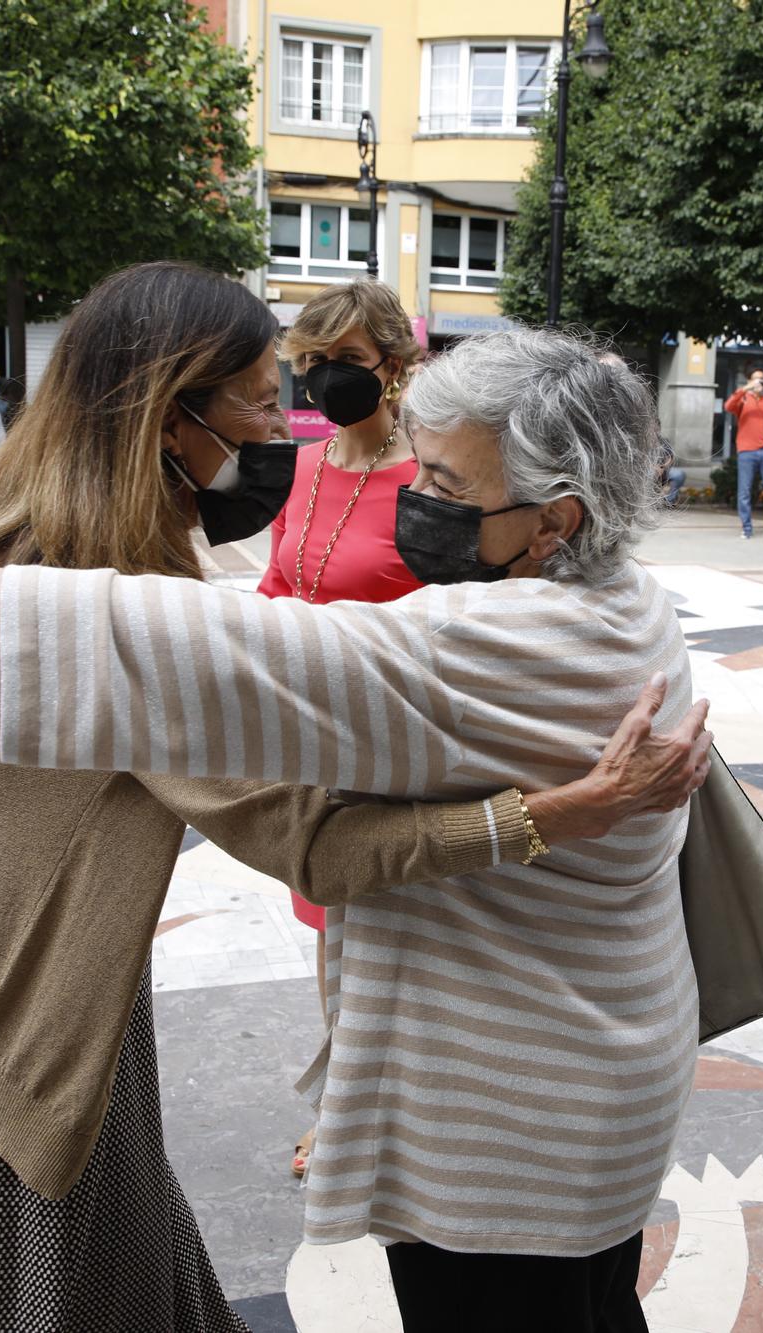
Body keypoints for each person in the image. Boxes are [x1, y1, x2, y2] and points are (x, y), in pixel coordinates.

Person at [0, 327, 709, 1333]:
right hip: (593, 1086)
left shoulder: (510, 643)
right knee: (591, 1310)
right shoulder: (617, 597)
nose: (415, 495)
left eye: (446, 481)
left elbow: (253, 649)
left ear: (555, 518)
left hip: (512, 1126)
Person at [266, 278, 426, 1178]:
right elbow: (280, 583)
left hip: (394, 745)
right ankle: (346, 1105)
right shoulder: (304, 464)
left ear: (395, 368)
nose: (328, 382)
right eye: (313, 363)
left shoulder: (430, 479)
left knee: (390, 939)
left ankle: (371, 1111)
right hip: (312, 748)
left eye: (349, 363)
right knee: (335, 937)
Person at [725, 365, 763, 540]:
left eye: (762, 379)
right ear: (750, 381)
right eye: (756, 378)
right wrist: (745, 388)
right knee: (744, 492)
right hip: (746, 450)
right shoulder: (743, 399)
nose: (760, 382)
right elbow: (729, 406)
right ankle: (746, 528)